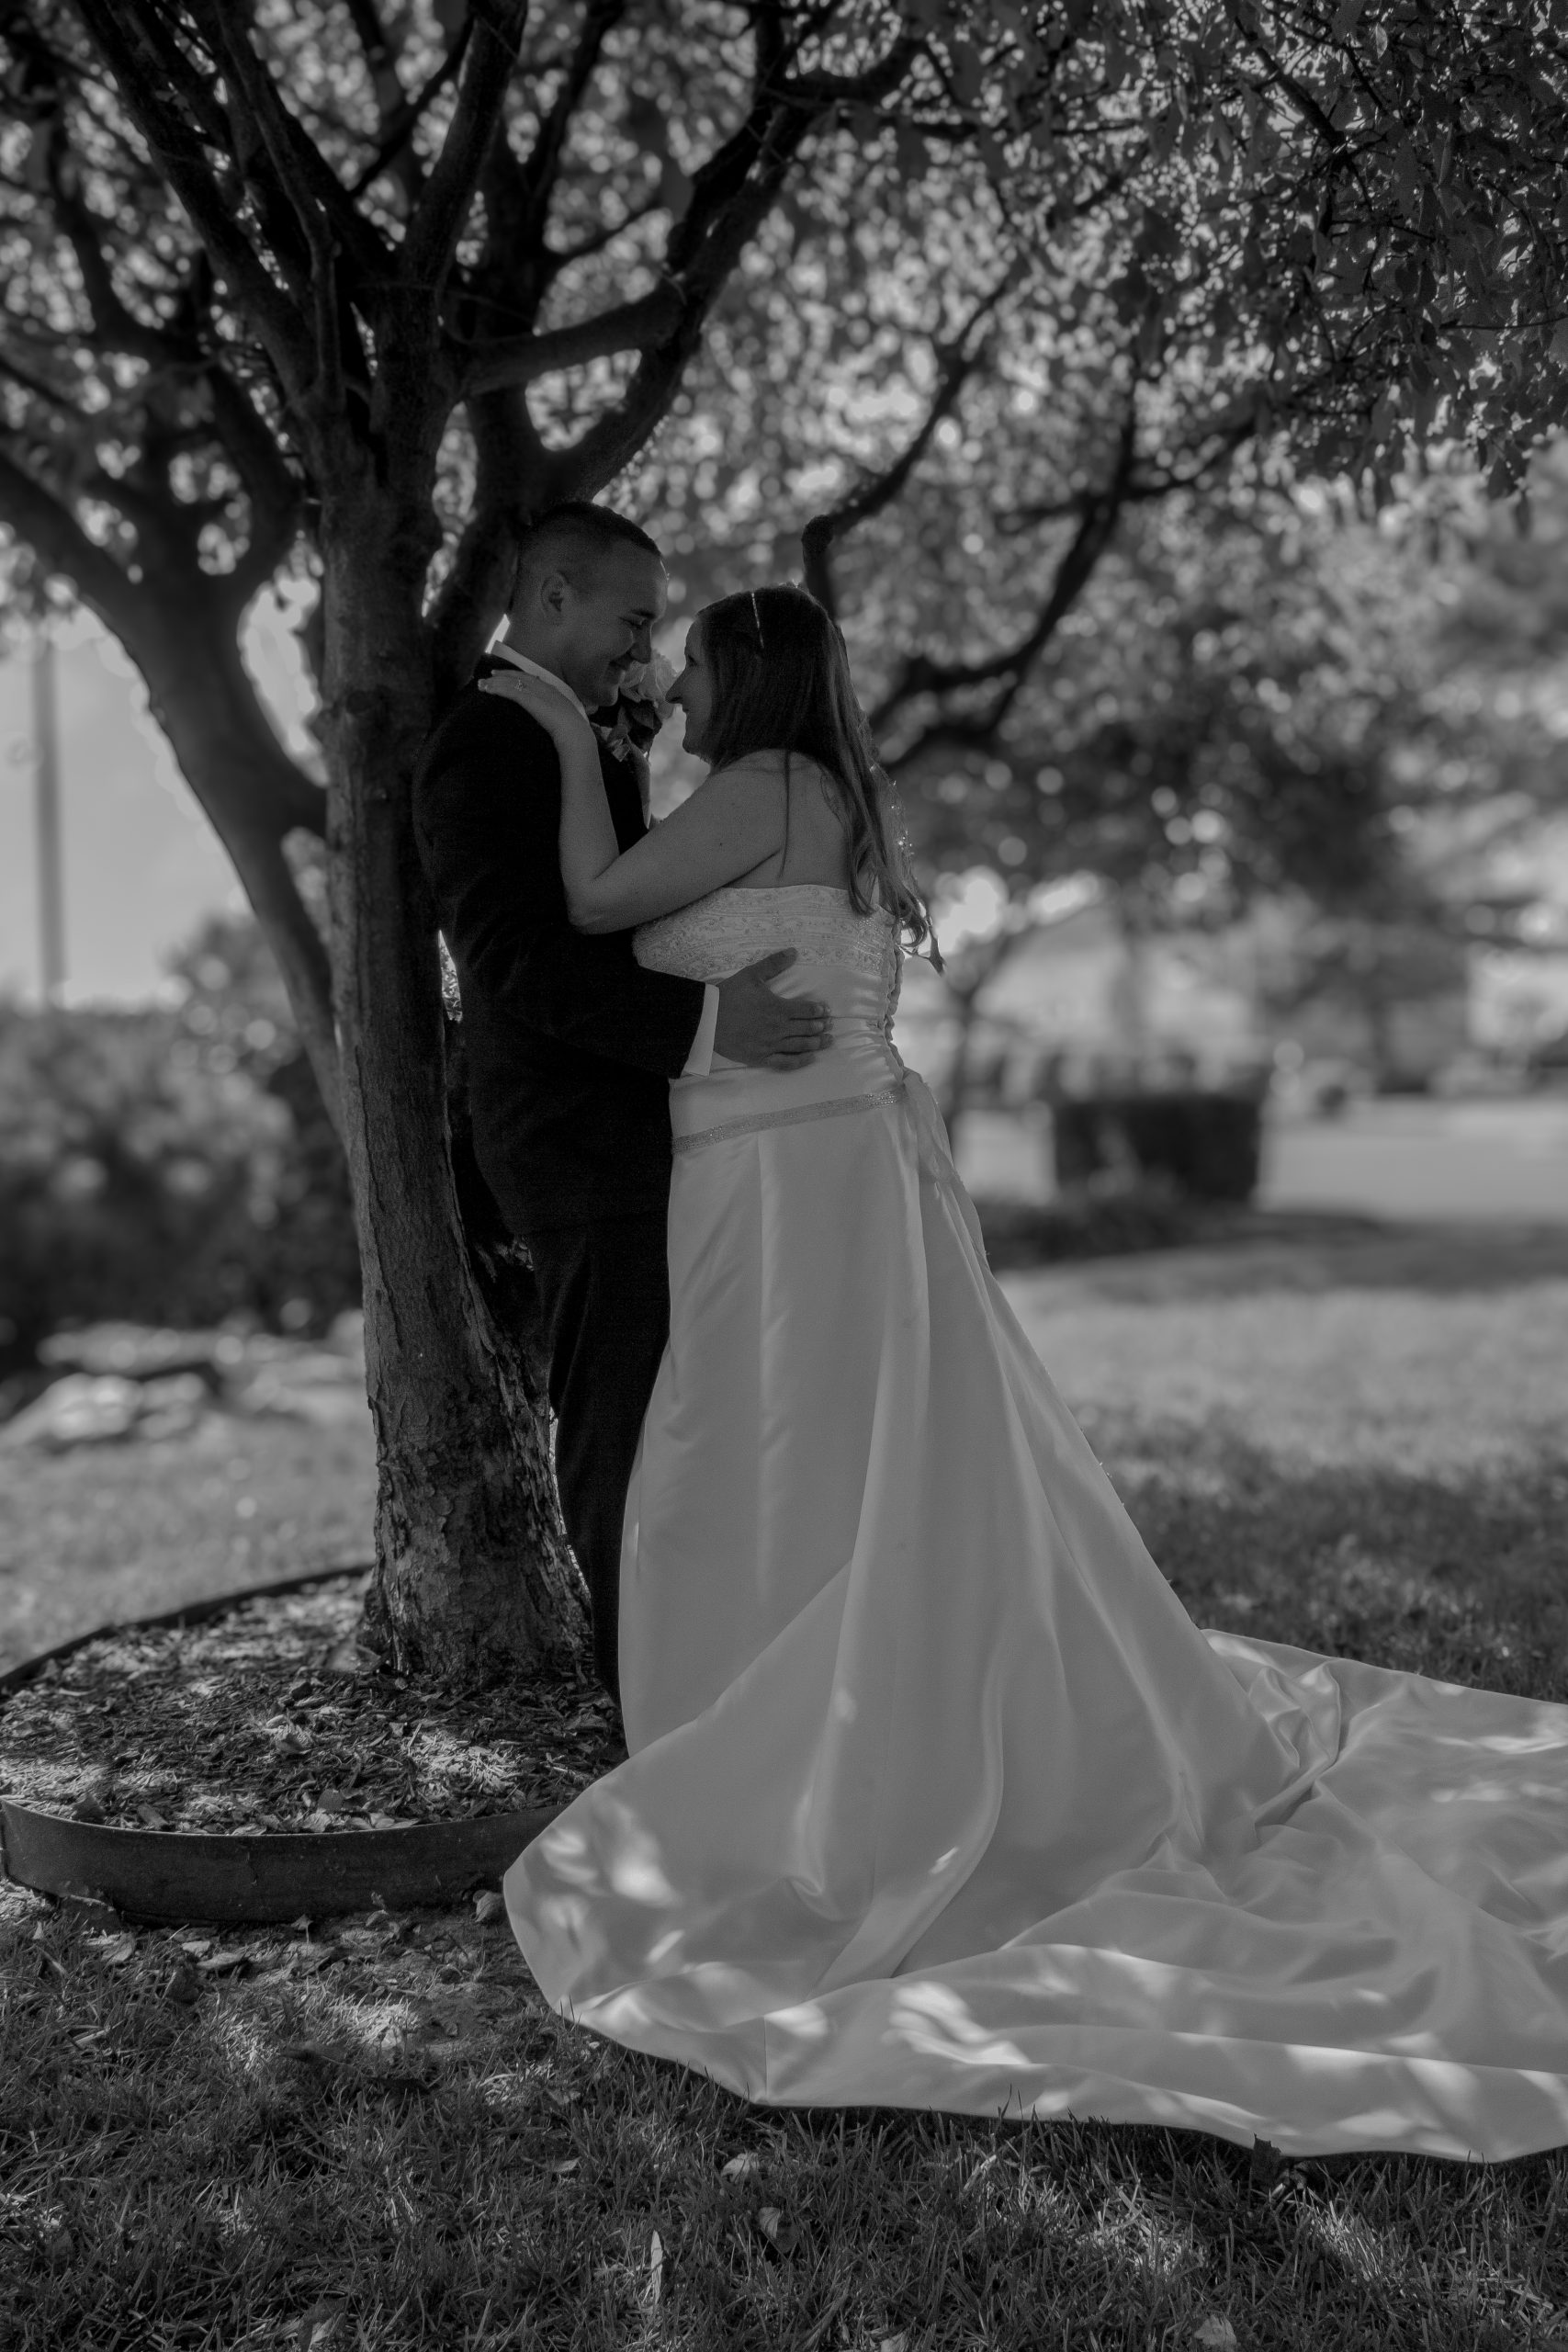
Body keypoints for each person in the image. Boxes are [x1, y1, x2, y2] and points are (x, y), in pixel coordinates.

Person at [497, 581, 1568, 2163]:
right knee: (844, 1456)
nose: (675, 678)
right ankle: (829, 1706)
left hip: (785, 1185)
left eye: (695, 659)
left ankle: (804, 1751)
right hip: (818, 1170)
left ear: (753, 678)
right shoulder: (830, 796)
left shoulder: (763, 790)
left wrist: (545, 721)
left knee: (775, 1451)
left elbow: (587, 903)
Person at [412, 507, 830, 1713]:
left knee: (666, 1408)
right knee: (619, 1417)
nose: (645, 656)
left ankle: (689, 1665)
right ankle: (642, 1703)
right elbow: (514, 959)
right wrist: (712, 1028)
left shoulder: (580, 733)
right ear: (551, 595)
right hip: (574, 1135)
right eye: (634, 621)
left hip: (635, 1120)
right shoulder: (488, 738)